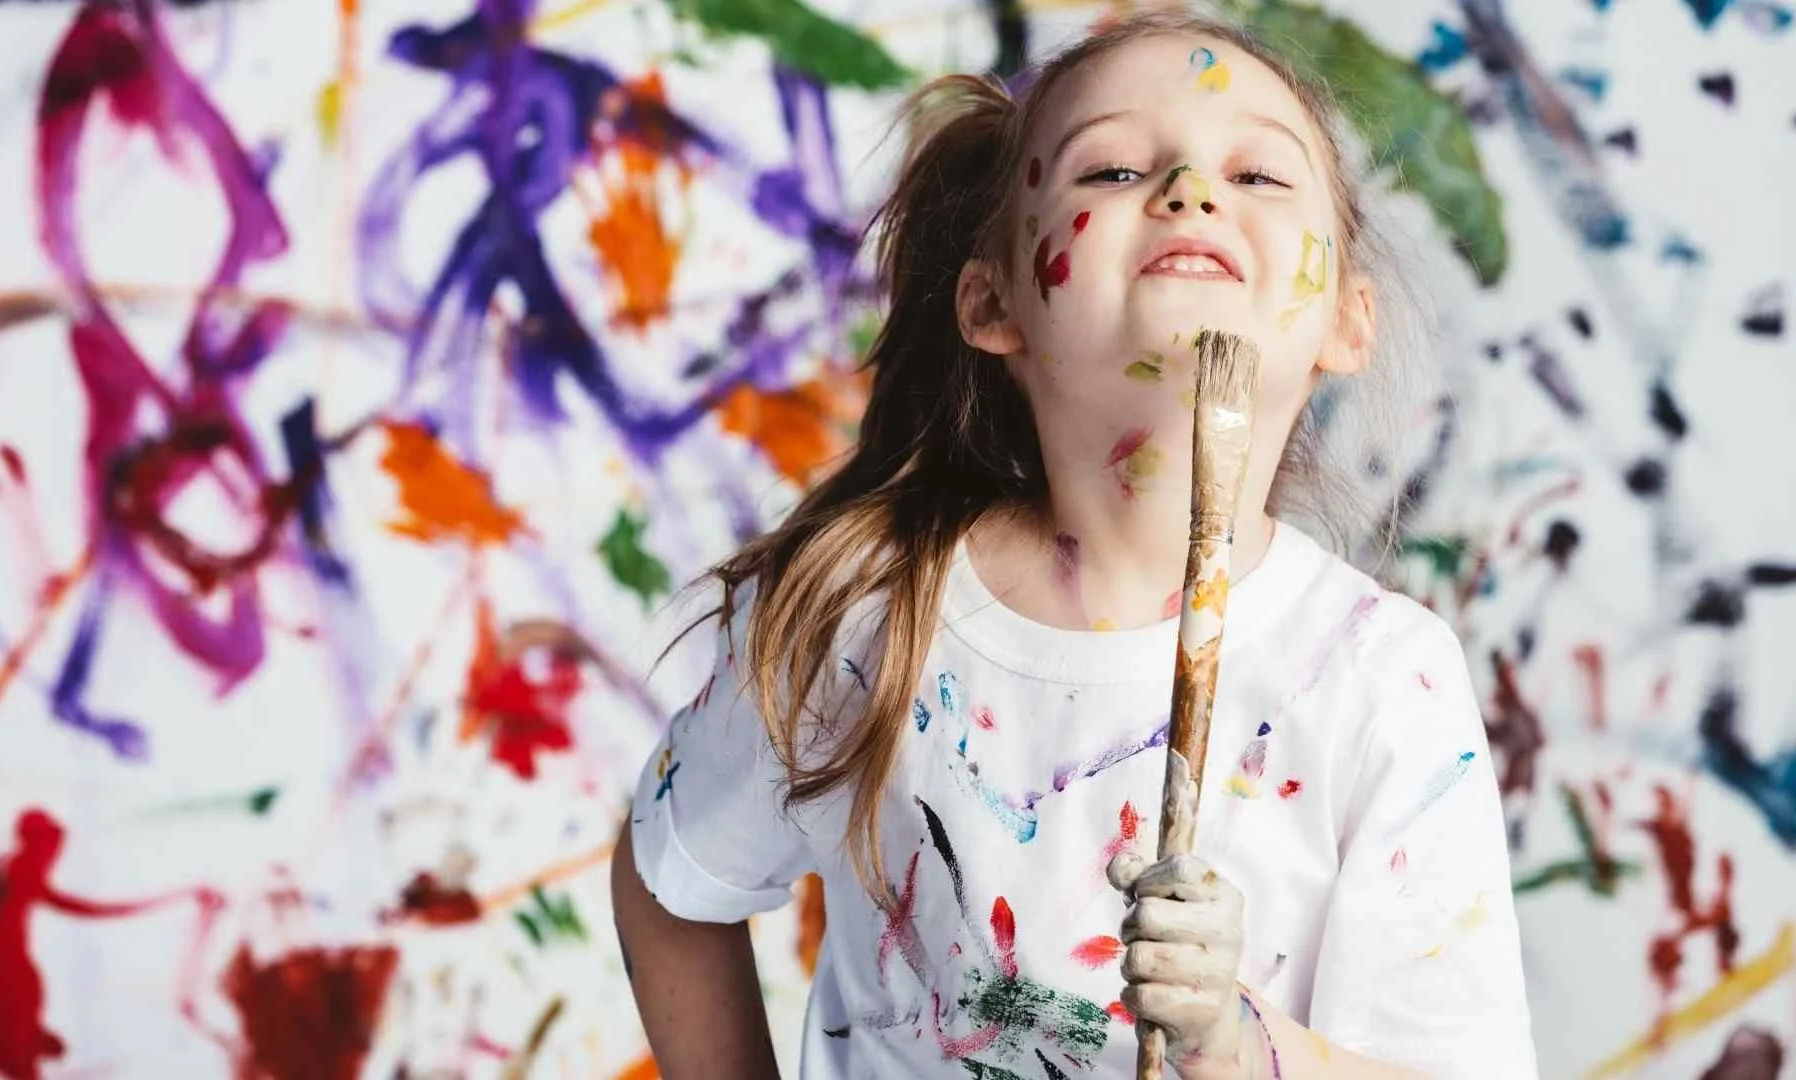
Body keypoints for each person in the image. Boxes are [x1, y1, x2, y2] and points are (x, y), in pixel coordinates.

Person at [610, 9, 1537, 1079]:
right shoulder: (870, 611)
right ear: (993, 299)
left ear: (1346, 321)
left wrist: (1237, 1047)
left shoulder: (1384, 680)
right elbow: (671, 878)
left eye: (1261, 178)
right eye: (1109, 170)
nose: (1192, 188)